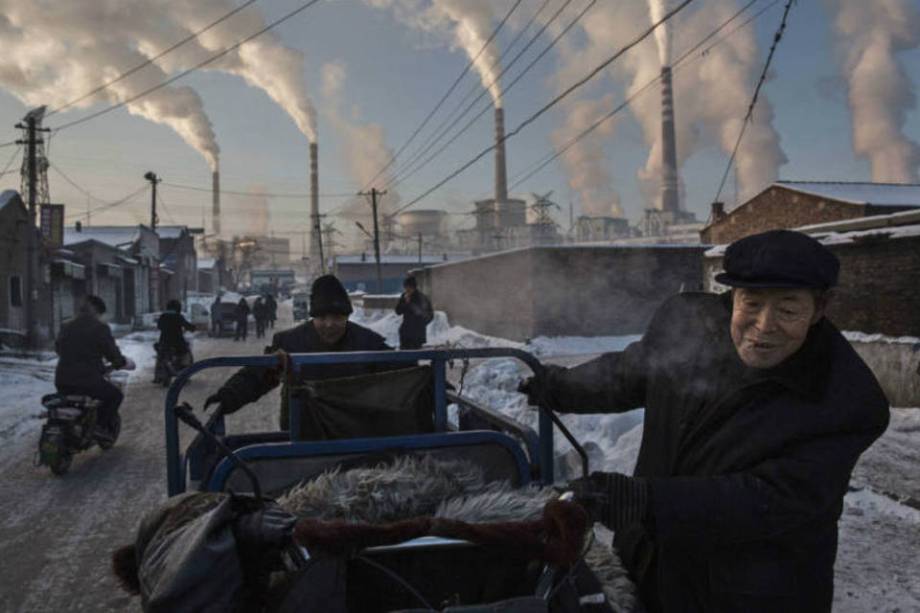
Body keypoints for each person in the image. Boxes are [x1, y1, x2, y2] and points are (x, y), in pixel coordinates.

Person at [519, 230, 890, 613]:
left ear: (820, 308)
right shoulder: (692, 324)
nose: (764, 325)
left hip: (747, 593)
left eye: (788, 309)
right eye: (752, 303)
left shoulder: (845, 401)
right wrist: (554, 387)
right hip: (649, 568)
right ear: (732, 297)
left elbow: (768, 500)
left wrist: (643, 501)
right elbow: (630, 374)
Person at [205, 275, 393, 425]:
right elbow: (260, 375)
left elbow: (404, 373)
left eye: (337, 317)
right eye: (322, 317)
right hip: (302, 435)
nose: (329, 324)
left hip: (353, 432)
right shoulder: (290, 343)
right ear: (313, 317)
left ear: (347, 317)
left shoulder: (369, 343)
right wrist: (229, 395)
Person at [54, 295, 136, 440]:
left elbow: (58, 349)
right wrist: (120, 362)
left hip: (62, 380)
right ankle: (99, 426)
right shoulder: (100, 328)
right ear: (97, 311)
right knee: (115, 395)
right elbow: (112, 353)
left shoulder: (66, 325)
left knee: (69, 400)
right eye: (100, 314)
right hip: (88, 381)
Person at [155, 300, 195, 382]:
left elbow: (159, 326)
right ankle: (184, 372)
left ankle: (158, 376)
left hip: (164, 341)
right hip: (177, 341)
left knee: (160, 356)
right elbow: (187, 325)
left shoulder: (163, 316)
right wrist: (192, 327)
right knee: (186, 354)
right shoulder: (178, 316)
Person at [395, 276, 434, 350]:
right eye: (405, 287)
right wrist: (405, 303)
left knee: (414, 356)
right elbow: (398, 311)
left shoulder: (421, 298)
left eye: (409, 287)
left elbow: (429, 315)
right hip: (405, 333)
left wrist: (420, 324)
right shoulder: (404, 296)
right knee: (404, 356)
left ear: (414, 287)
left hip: (417, 334)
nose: (407, 290)